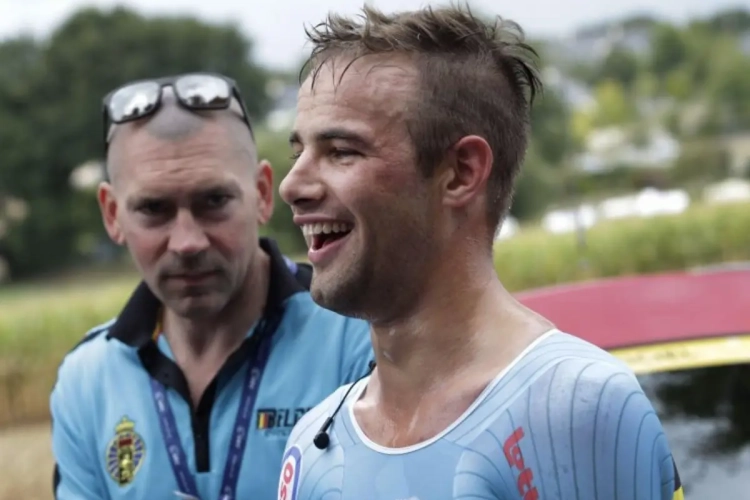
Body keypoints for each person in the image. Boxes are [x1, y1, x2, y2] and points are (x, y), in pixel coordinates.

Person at [277, 6, 684, 500]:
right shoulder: (312, 444)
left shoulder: (574, 406)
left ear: (461, 173)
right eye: (298, 151)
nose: (291, 185)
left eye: (342, 151)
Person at [49, 73, 373, 500]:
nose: (187, 242)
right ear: (112, 215)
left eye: (214, 202)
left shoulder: (358, 338)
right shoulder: (86, 381)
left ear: (261, 193)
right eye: (153, 209)